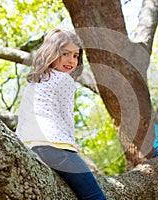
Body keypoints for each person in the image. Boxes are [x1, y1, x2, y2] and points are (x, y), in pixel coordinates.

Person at [15, 28, 107, 200]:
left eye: (75, 56)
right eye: (65, 54)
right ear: (52, 52)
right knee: (95, 196)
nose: (71, 61)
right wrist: (72, 144)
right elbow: (67, 117)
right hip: (56, 146)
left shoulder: (35, 81)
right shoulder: (64, 79)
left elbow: (24, 117)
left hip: (31, 146)